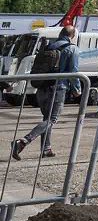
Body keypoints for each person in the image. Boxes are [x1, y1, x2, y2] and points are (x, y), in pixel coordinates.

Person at [13, 25, 78, 159]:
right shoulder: (72, 48)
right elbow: (73, 71)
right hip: (58, 88)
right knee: (52, 120)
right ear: (72, 36)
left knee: (46, 119)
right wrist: (77, 89)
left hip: (41, 88)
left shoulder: (47, 47)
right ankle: (23, 142)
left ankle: (46, 149)